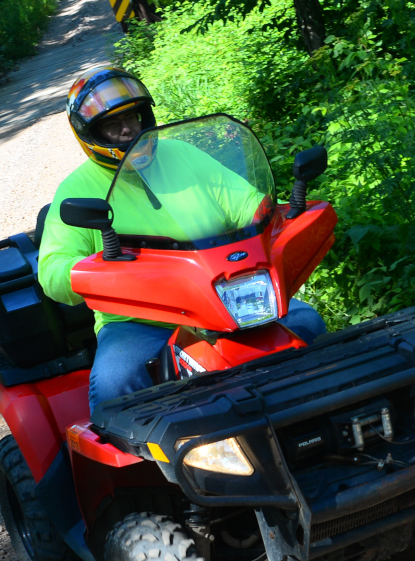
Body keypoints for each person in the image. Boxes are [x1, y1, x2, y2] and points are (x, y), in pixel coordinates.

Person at [37, 68, 325, 415]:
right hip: (140, 319)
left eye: (132, 116)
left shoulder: (182, 154)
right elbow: (52, 271)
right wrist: (98, 272)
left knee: (305, 324)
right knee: (116, 383)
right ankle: (144, 469)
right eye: (113, 125)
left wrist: (272, 218)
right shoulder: (76, 190)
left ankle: (328, 416)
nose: (127, 129)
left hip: (227, 293)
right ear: (90, 134)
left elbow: (247, 204)